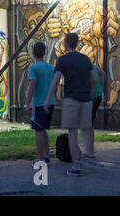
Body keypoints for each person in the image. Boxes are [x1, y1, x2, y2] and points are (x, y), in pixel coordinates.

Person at [44, 33, 97, 176]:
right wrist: (89, 92)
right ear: (77, 43)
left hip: (71, 99)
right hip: (86, 99)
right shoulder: (85, 59)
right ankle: (89, 155)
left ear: (67, 44)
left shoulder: (62, 60)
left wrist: (48, 99)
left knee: (72, 132)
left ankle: (76, 165)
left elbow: (55, 81)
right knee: (86, 129)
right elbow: (93, 79)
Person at [25, 42, 55, 165]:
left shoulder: (33, 68)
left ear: (33, 53)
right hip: (51, 103)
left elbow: (32, 85)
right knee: (44, 130)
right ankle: (47, 155)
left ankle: (41, 159)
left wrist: (27, 103)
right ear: (45, 52)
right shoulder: (51, 68)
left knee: (38, 131)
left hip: (39, 104)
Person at [88, 63, 106, 155]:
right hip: (98, 95)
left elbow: (93, 80)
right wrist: (101, 88)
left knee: (88, 124)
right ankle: (90, 150)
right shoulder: (91, 64)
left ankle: (90, 151)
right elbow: (103, 73)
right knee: (89, 124)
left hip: (92, 96)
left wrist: (91, 92)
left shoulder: (85, 65)